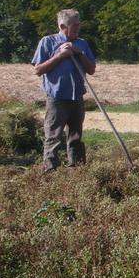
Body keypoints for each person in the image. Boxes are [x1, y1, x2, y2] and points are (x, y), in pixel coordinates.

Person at [31, 9, 97, 173]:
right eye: (74, 25)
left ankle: (76, 169)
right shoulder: (48, 42)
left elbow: (91, 69)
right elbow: (38, 70)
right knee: (54, 135)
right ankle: (50, 170)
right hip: (57, 97)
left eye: (79, 24)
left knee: (75, 136)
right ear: (62, 26)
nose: (78, 28)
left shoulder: (82, 43)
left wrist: (78, 53)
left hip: (77, 97)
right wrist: (60, 55)